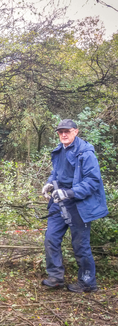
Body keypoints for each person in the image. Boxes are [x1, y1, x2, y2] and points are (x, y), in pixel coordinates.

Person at [41, 119, 108, 292]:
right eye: (60, 132)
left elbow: (93, 181)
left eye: (67, 131)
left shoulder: (85, 153)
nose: (63, 134)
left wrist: (69, 192)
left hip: (80, 205)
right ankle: (55, 277)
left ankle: (87, 283)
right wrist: (50, 183)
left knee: (80, 245)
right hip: (59, 202)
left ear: (75, 132)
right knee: (51, 238)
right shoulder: (59, 151)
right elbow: (56, 172)